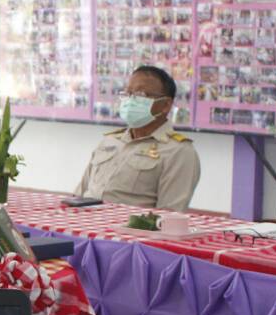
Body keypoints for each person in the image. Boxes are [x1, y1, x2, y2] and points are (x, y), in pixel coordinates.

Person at [74, 65, 200, 211]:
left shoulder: (179, 151)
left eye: (141, 95)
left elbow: (168, 216)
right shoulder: (110, 141)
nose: (130, 100)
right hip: (83, 226)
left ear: (165, 105)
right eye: (128, 93)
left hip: (126, 231)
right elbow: (79, 196)